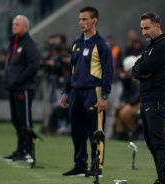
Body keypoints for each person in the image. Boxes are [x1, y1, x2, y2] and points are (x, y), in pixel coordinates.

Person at [60, 7, 113, 177]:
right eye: (79, 20)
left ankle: (97, 166)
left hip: (94, 92)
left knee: (95, 131)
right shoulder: (76, 44)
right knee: (77, 131)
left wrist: (104, 96)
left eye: (84, 19)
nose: (81, 23)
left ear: (94, 20)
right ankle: (79, 164)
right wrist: (66, 92)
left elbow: (108, 73)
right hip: (76, 92)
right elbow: (71, 71)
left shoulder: (102, 45)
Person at [132, 12, 165, 184]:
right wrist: (140, 72)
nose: (144, 32)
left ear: (157, 26)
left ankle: (163, 180)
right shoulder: (152, 46)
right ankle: (161, 178)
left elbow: (143, 67)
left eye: (147, 28)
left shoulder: (164, 46)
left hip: (157, 98)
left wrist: (140, 72)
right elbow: (137, 68)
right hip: (147, 98)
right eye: (142, 28)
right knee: (151, 142)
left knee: (158, 142)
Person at [3, 15, 40, 162]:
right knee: (17, 121)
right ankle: (21, 150)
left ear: (25, 27)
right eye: (13, 24)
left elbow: (34, 66)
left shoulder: (29, 44)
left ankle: (29, 151)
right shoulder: (14, 42)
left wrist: (18, 80)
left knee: (25, 121)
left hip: (24, 88)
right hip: (14, 88)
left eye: (17, 24)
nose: (14, 27)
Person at [113, 56, 141, 140]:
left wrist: (129, 104)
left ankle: (134, 132)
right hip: (132, 102)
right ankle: (120, 133)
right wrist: (124, 101)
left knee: (124, 113)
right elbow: (127, 91)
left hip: (141, 102)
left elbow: (139, 94)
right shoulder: (131, 79)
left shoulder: (140, 78)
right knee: (118, 109)